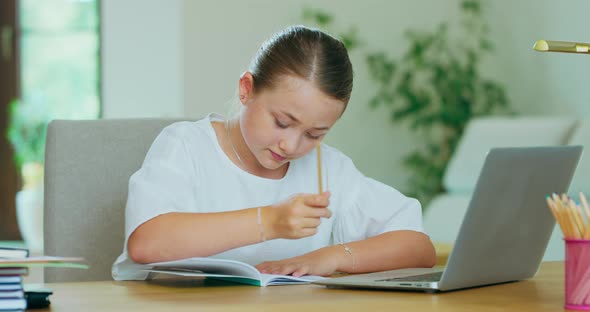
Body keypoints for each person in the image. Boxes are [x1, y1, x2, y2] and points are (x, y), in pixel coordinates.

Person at [112, 25, 435, 280]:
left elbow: (417, 247)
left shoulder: (328, 168)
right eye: (282, 122)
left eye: (314, 134)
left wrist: (331, 256)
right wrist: (269, 220)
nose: (292, 146)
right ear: (246, 89)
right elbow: (147, 243)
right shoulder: (186, 145)